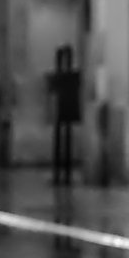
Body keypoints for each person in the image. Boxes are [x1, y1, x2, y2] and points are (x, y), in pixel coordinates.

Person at [47, 44, 82, 185]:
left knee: (67, 141)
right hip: (59, 108)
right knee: (58, 143)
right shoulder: (56, 77)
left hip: (68, 107)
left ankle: (66, 174)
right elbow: (51, 93)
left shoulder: (73, 76)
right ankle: (58, 174)